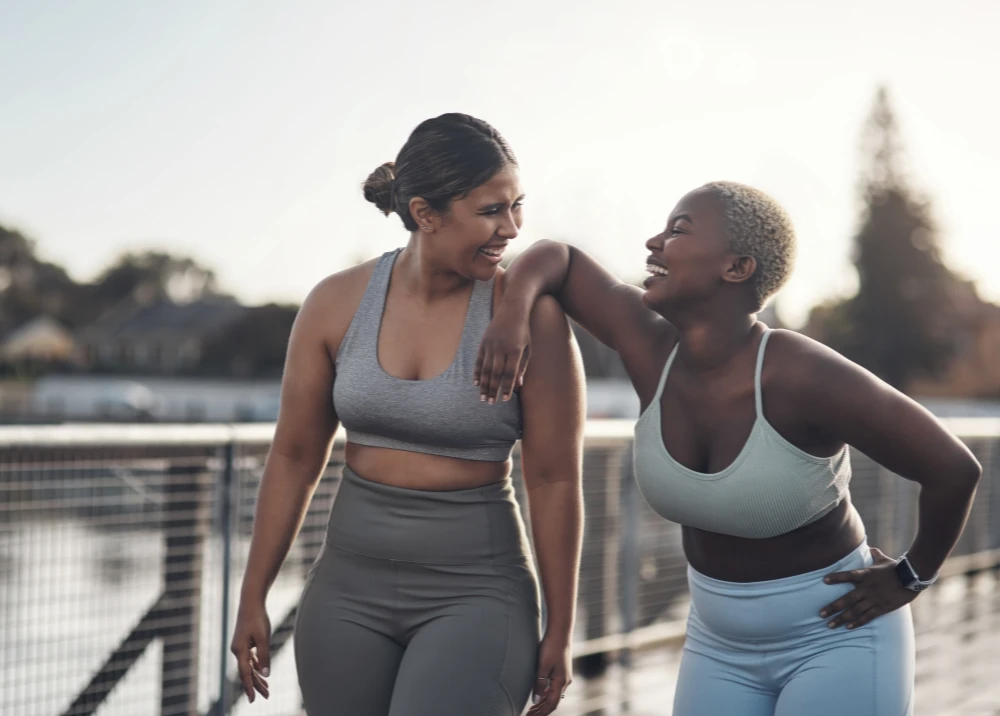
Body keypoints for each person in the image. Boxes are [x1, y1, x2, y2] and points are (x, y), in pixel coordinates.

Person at [473, 181, 982, 716]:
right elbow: (559, 258)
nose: (653, 242)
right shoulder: (648, 344)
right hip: (717, 646)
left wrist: (910, 576)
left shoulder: (801, 372)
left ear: (737, 268)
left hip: (836, 637)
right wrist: (511, 316)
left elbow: (952, 468)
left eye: (678, 230)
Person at [230, 113, 585, 716]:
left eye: (517, 205)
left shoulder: (530, 320)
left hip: (478, 592)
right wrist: (252, 594)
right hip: (346, 587)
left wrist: (560, 626)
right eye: (491, 211)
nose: (512, 227)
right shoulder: (335, 303)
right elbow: (292, 457)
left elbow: (553, 479)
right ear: (425, 214)